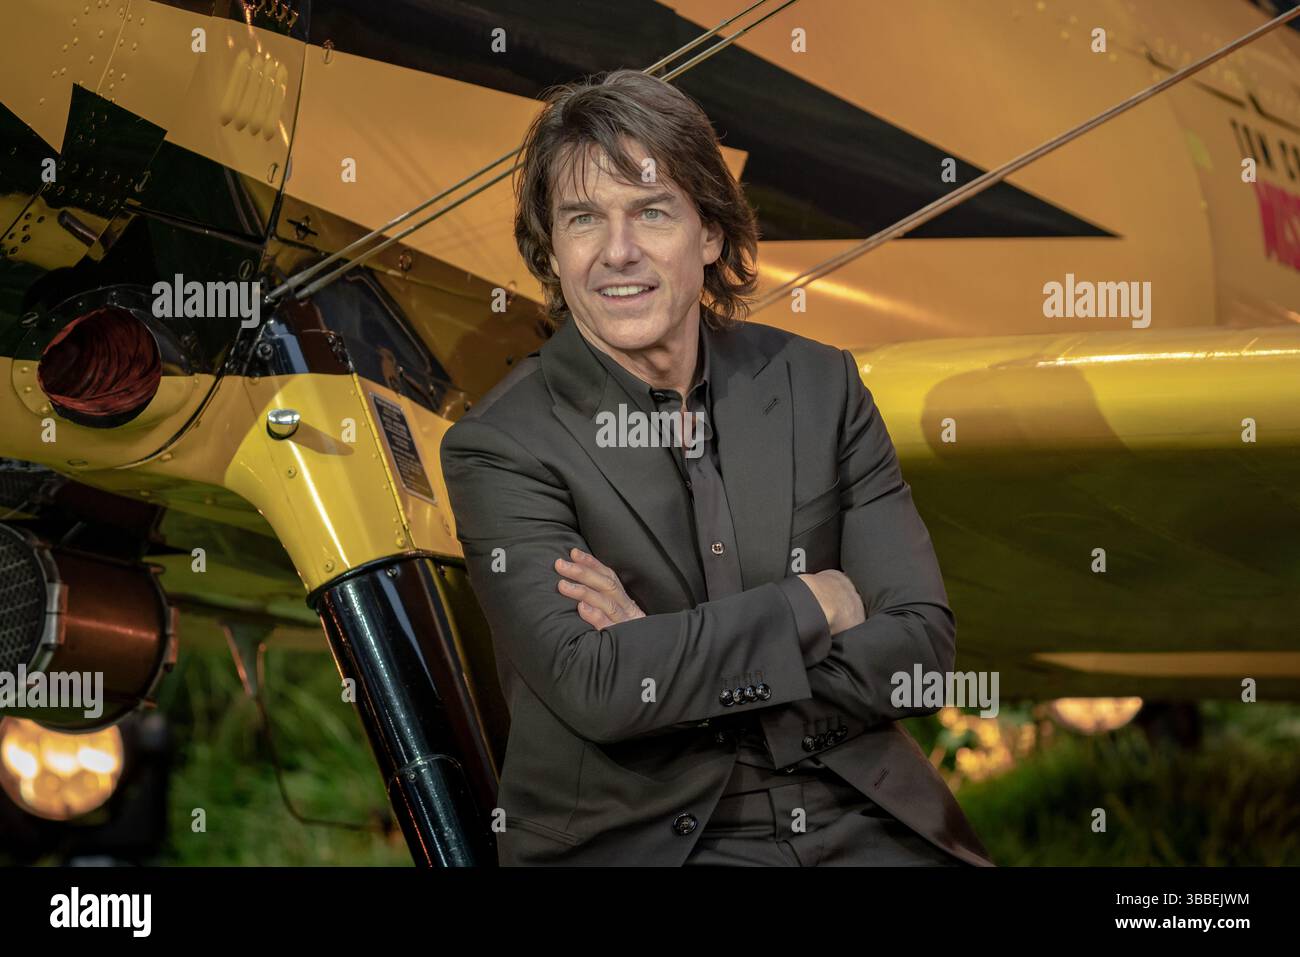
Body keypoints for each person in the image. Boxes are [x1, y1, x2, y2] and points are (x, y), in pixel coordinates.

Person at [440, 69, 993, 867]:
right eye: (584, 219)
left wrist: (666, 658)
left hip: (858, 814)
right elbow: (599, 685)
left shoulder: (820, 386)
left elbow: (919, 652)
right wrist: (811, 602)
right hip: (644, 843)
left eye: (652, 212)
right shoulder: (503, 444)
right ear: (552, 251)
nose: (617, 252)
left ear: (709, 234)